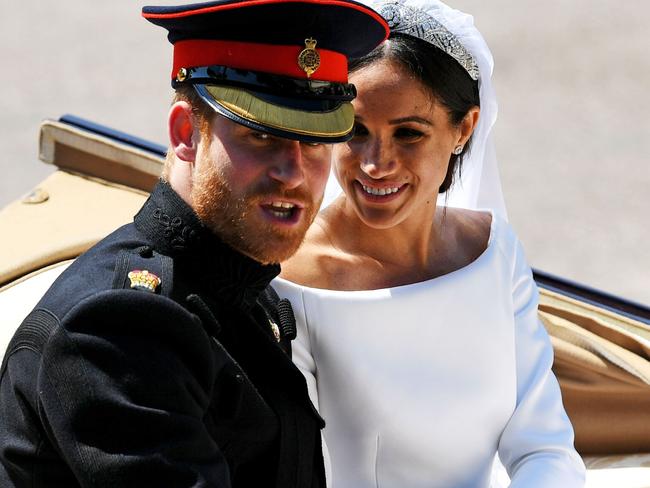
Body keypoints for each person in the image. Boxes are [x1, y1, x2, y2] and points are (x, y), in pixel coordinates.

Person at [0, 1, 388, 486]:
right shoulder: (116, 331)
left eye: (313, 143)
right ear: (186, 133)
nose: (294, 174)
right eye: (262, 137)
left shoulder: (238, 273)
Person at [273, 0, 586, 486]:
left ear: (465, 128)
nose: (377, 164)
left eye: (409, 134)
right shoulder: (291, 278)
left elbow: (544, 447)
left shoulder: (494, 253)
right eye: (355, 131)